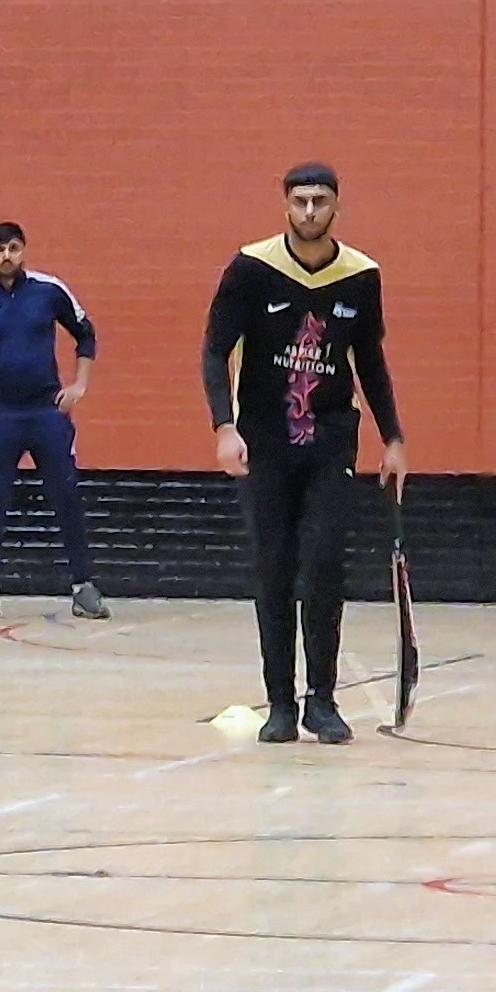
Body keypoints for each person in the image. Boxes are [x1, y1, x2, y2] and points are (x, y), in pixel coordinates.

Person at [201, 164, 404, 744]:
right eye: (300, 201)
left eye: (320, 201)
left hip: (332, 438)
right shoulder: (251, 268)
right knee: (274, 568)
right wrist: (224, 427)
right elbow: (215, 352)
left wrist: (393, 439)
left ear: (337, 206)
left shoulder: (361, 276)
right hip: (264, 437)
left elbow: (371, 362)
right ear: (285, 205)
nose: (309, 211)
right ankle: (281, 704)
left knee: (322, 565)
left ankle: (322, 700)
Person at [0, 221, 107, 621]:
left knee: (66, 494)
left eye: (13, 248)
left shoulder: (49, 290)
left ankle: (83, 586)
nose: (6, 256)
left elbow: (85, 334)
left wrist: (79, 385)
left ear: (24, 249)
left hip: (46, 412)